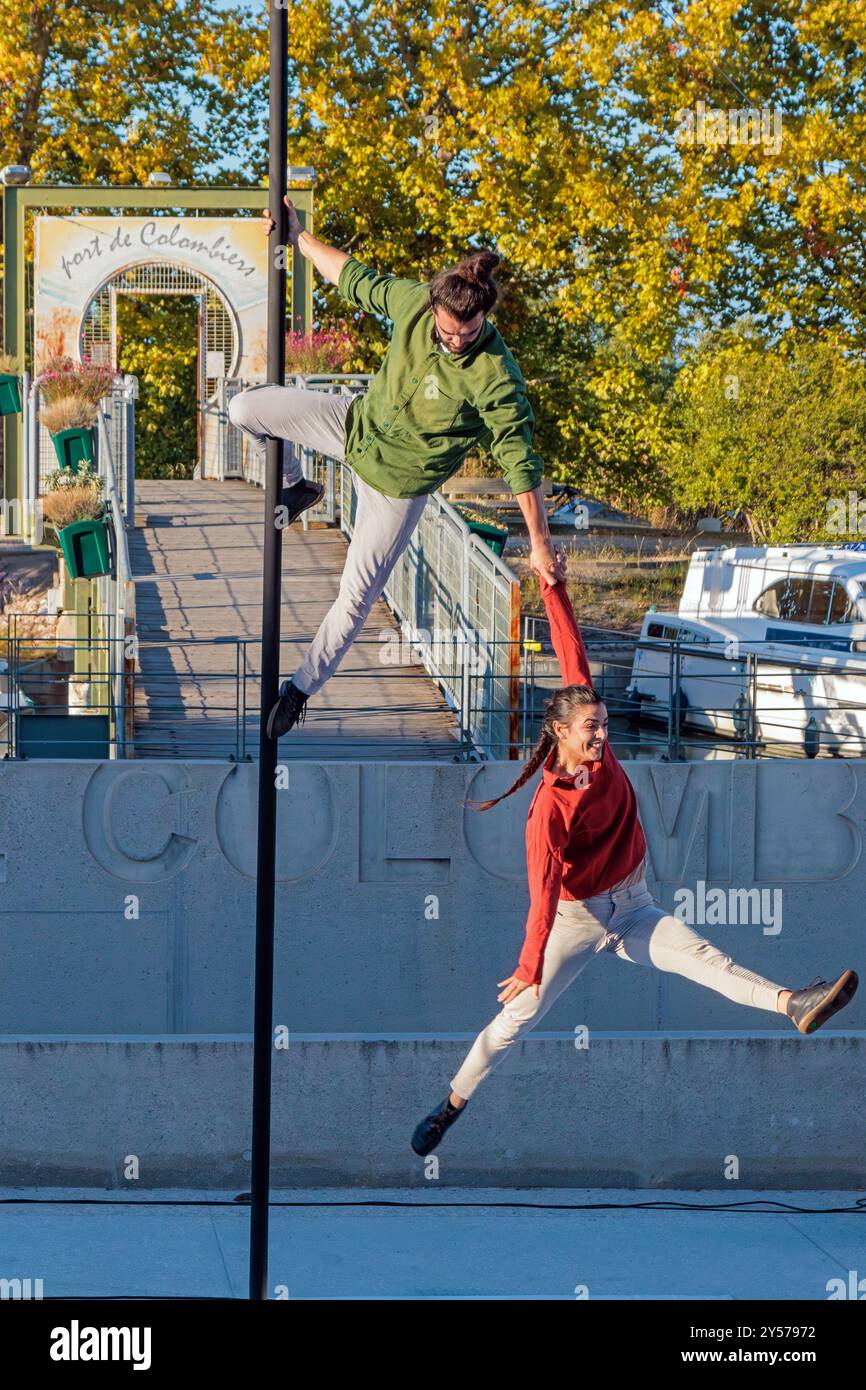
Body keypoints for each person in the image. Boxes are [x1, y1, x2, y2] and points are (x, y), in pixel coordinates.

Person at [411, 564, 859, 1156]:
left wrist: (552, 586)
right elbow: (542, 895)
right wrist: (527, 966)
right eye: (590, 730)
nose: (601, 736)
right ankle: (450, 1107)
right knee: (515, 1021)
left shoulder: (596, 742)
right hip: (576, 920)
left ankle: (793, 1004)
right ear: (561, 733)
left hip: (633, 904)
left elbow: (572, 650)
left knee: (704, 957)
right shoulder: (549, 809)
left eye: (601, 725)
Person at [228, 195, 565, 739]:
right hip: (355, 426)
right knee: (246, 408)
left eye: (468, 333)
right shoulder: (413, 301)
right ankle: (296, 487)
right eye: (448, 331)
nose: (456, 341)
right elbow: (350, 275)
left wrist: (541, 543)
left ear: (484, 318)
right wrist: (297, 235)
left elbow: (519, 460)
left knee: (356, 596)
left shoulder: (496, 376)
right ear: (434, 307)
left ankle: (301, 689)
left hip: (399, 485)